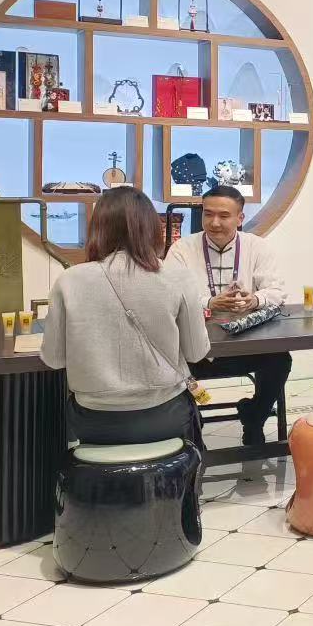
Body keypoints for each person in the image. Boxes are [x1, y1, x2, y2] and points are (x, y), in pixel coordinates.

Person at [42, 186, 209, 450]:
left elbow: (53, 359)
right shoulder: (178, 277)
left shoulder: (69, 280)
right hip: (164, 413)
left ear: (98, 228)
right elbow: (196, 352)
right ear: (152, 228)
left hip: (92, 420)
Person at [166, 185, 289, 445]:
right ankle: (192, 426)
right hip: (196, 350)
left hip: (246, 345)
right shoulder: (181, 250)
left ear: (240, 218)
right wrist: (210, 302)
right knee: (171, 366)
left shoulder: (257, 247)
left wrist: (254, 299)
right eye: (208, 214)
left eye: (224, 216)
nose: (214, 223)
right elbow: (169, 296)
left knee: (280, 360)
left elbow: (277, 291)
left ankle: (255, 416)